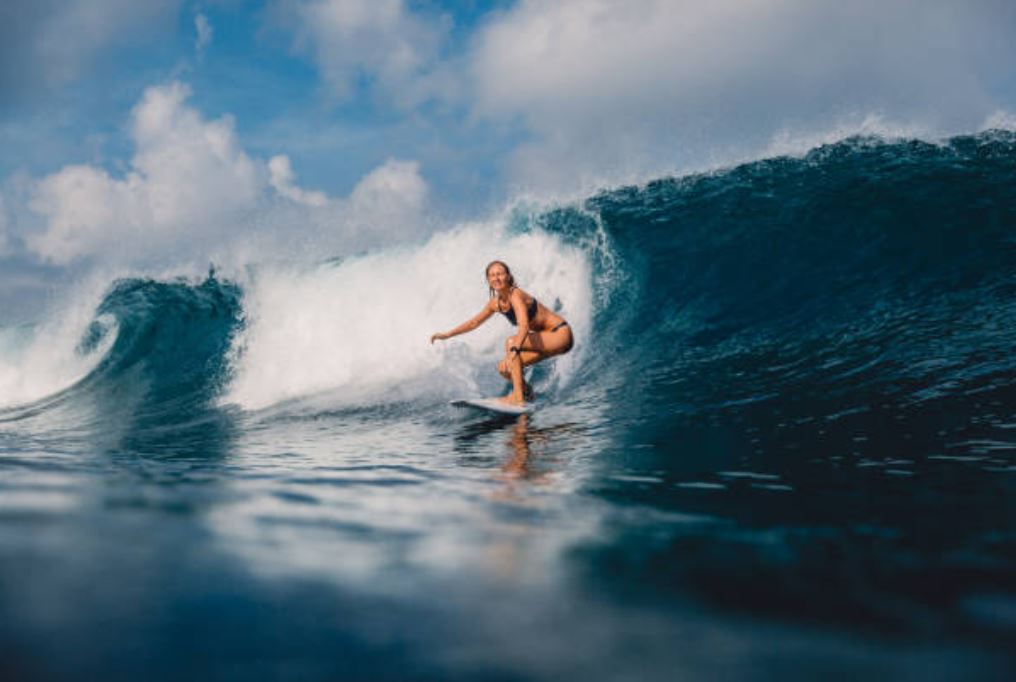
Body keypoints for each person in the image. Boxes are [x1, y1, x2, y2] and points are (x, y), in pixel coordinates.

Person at [430, 260, 574, 405]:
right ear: (488, 280)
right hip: (546, 342)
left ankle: (517, 398)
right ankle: (527, 393)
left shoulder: (515, 295)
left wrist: (515, 347)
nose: (496, 278)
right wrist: (447, 334)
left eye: (499, 274)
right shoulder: (495, 303)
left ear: (508, 277)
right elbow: (474, 323)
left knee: (510, 342)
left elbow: (523, 326)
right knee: (504, 368)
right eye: (492, 275)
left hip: (560, 334)